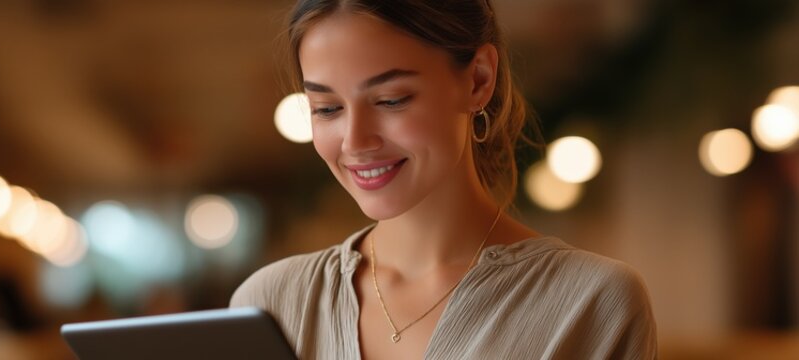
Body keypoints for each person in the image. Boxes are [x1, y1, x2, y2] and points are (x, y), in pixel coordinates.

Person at [229, 0, 658, 359]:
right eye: (327, 108)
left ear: (478, 80)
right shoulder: (269, 304)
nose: (355, 142)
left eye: (391, 99)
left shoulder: (591, 302)